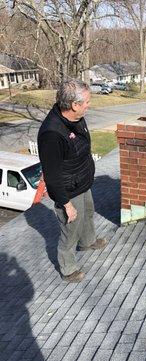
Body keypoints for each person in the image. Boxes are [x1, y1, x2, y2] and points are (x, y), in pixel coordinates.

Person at [38, 79, 106, 283]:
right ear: (74, 105)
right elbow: (51, 176)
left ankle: (88, 242)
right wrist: (66, 204)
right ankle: (67, 268)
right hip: (68, 189)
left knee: (88, 214)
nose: (89, 105)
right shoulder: (52, 133)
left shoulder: (76, 117)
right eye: (86, 101)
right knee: (71, 229)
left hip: (82, 180)